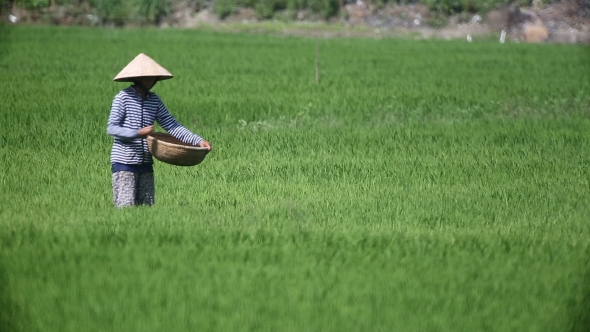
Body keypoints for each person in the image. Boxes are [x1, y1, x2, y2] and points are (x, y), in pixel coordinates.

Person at [107, 53, 211, 208]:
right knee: (125, 206)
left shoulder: (154, 100)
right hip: (124, 161)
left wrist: (198, 141)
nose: (150, 81)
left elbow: (172, 125)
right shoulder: (123, 98)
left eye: (153, 77)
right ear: (137, 78)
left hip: (146, 161)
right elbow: (112, 128)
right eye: (147, 77)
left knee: (147, 206)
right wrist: (137, 133)